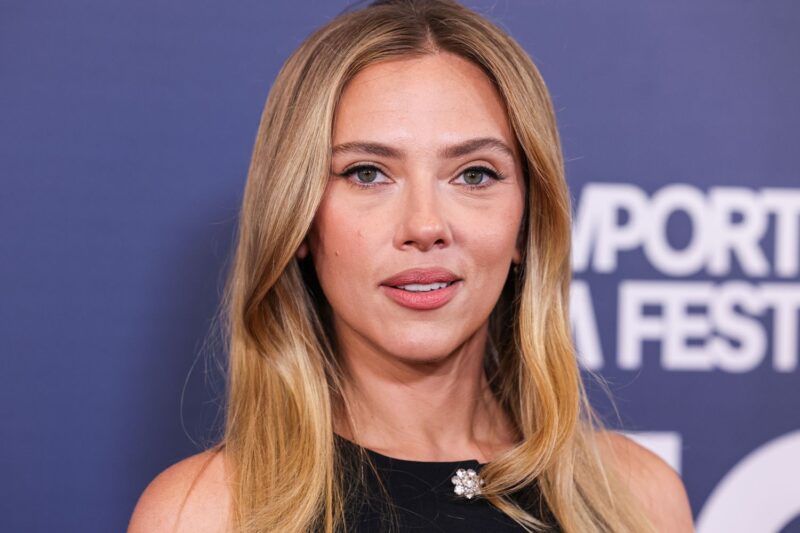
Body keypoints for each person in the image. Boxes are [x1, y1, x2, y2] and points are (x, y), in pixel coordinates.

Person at [128, 0, 694, 531]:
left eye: (474, 174)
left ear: (527, 222)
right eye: (367, 173)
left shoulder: (638, 498)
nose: (425, 226)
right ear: (298, 218)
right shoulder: (204, 513)